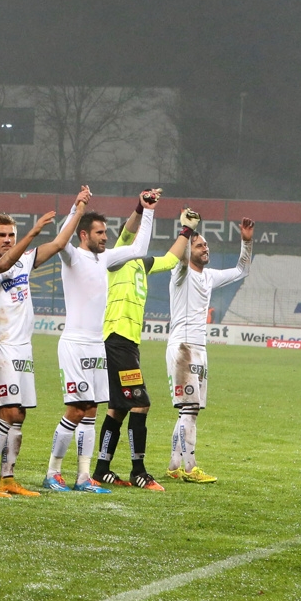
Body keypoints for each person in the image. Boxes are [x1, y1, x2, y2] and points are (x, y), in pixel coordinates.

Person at [43, 189, 158, 494]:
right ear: (84, 235)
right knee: (76, 409)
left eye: (106, 232)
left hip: (98, 344)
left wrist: (147, 210)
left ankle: (83, 477)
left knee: (92, 410)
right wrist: (77, 207)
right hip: (75, 343)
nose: (105, 237)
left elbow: (140, 246)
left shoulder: (107, 258)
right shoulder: (72, 255)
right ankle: (53, 471)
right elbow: (60, 239)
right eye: (99, 232)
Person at [0, 191, 88, 497]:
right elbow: (4, 265)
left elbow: (61, 242)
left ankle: (8, 478)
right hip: (2, 346)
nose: (8, 240)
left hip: (24, 347)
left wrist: (78, 209)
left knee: (19, 414)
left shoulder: (25, 259)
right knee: (8, 411)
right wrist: (33, 232)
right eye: (2, 235)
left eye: (11, 234)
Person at [91, 199, 200, 491]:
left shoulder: (143, 264)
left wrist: (186, 231)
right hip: (117, 339)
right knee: (141, 403)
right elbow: (128, 232)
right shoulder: (115, 259)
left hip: (128, 344)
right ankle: (139, 471)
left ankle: (102, 468)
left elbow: (171, 258)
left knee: (118, 408)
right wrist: (141, 209)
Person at [166, 217, 254, 483]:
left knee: (189, 411)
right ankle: (190, 469)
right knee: (189, 409)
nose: (206, 249)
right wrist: (187, 230)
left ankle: (174, 465)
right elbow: (180, 255)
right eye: (199, 245)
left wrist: (246, 242)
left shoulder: (209, 276)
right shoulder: (180, 272)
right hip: (183, 346)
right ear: (188, 250)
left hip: (199, 349)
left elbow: (242, 270)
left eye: (206, 246)